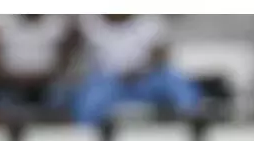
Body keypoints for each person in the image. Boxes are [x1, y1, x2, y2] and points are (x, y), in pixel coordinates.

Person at [70, 14, 202, 125]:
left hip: (144, 80)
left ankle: (193, 121)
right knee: (90, 97)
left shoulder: (151, 21)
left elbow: (162, 56)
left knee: (175, 80)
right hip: (108, 83)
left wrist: (146, 66)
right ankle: (85, 135)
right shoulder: (88, 22)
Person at [0, 15, 76, 120]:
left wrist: (44, 78)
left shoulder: (57, 23)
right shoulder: (1, 22)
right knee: (1, 98)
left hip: (47, 85)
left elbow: (64, 62)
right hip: (11, 85)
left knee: (62, 93)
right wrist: (16, 80)